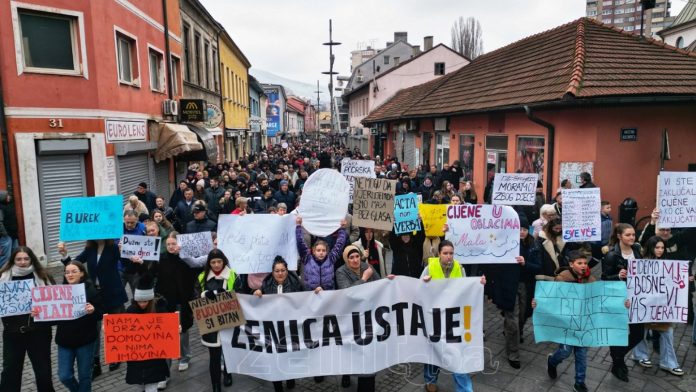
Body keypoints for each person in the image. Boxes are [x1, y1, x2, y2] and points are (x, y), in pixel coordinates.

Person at [535, 250, 618, 392]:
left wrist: (622, 303)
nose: (584, 266)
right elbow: (553, 298)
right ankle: (552, 361)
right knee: (565, 352)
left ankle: (580, 382)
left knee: (581, 354)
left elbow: (598, 300)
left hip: (583, 325)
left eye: (585, 263)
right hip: (567, 323)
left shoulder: (591, 280)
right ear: (571, 264)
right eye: (580, 263)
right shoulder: (562, 278)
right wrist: (539, 303)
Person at [421, 240, 485, 392]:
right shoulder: (429, 268)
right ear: (439, 254)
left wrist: (478, 284)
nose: (448, 256)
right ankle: (430, 380)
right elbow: (419, 290)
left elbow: (466, 289)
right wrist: (424, 283)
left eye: (451, 253)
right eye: (445, 253)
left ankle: (464, 388)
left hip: (454, 318)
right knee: (433, 351)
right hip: (435, 318)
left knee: (458, 353)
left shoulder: (459, 267)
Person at [59, 239, 127, 374]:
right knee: (94, 328)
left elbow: (126, 265)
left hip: (113, 293)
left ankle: (115, 356)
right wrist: (65, 255)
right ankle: (95, 362)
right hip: (95, 294)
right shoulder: (90, 249)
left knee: (113, 327)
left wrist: (123, 252)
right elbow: (74, 265)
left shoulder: (113, 247)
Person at [0, 247, 56, 392]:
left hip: (39, 333)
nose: (22, 262)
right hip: (12, 334)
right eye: (18, 259)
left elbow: (55, 303)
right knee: (10, 373)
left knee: (43, 372)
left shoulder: (43, 277)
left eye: (26, 259)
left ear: (32, 259)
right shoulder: (3, 278)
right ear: (13, 260)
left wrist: (43, 309)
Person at [488, 216, 540, 368]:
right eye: (519, 229)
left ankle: (516, 334)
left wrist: (526, 263)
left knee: (522, 316)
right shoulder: (504, 243)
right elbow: (494, 265)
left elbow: (538, 267)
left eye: (524, 229)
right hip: (508, 286)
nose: (521, 232)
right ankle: (513, 353)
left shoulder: (533, 245)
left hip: (526, 286)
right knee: (512, 319)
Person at [629, 236, 684, 376]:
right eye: (657, 247)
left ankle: (669, 362)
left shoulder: (668, 264)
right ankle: (640, 355)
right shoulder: (641, 263)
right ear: (651, 247)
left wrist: (683, 279)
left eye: (662, 248)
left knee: (667, 333)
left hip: (661, 306)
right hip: (644, 304)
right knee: (642, 332)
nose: (659, 250)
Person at [335, 245, 382, 390]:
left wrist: (389, 282)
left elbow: (380, 284)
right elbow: (348, 292)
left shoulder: (367, 266)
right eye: (351, 258)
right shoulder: (341, 272)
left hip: (368, 314)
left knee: (366, 348)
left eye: (357, 257)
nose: (355, 260)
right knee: (350, 347)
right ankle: (346, 373)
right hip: (350, 316)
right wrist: (364, 278)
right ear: (346, 259)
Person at [601, 223, 644, 382]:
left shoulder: (637, 251)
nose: (632, 237)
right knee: (617, 333)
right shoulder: (612, 255)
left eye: (633, 234)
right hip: (617, 299)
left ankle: (618, 357)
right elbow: (604, 278)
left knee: (638, 334)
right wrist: (618, 276)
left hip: (635, 299)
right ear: (619, 236)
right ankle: (618, 364)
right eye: (628, 235)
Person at [252, 256, 302, 392]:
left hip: (290, 328)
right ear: (272, 272)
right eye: (277, 271)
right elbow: (257, 301)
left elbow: (306, 299)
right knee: (274, 357)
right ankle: (277, 385)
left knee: (288, 355)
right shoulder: (266, 285)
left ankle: (290, 377)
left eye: (283, 270)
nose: (280, 273)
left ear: (287, 271)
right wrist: (256, 293)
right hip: (273, 329)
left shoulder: (296, 284)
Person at [56, 261, 102, 392]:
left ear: (81, 273)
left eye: (74, 271)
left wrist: (93, 310)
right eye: (67, 272)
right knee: (64, 376)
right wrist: (40, 313)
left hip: (85, 340)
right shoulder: (59, 292)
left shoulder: (91, 290)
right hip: (65, 341)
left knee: (85, 376)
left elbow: (100, 314)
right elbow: (52, 317)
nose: (70, 274)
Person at [199, 249, 241, 391]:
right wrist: (205, 294)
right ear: (209, 263)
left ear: (224, 261)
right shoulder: (202, 277)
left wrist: (228, 294)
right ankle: (215, 384)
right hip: (210, 322)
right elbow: (195, 297)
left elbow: (240, 295)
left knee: (227, 352)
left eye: (219, 261)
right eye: (213, 262)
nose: (216, 265)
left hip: (228, 320)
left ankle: (228, 374)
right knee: (214, 355)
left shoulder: (233, 276)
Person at [155, 232, 197, 372]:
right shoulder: (162, 259)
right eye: (168, 244)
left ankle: (184, 357)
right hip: (167, 301)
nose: (171, 246)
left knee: (182, 330)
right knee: (168, 332)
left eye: (174, 244)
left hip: (183, 300)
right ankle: (167, 366)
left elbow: (195, 270)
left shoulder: (185, 258)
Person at [124, 276, 170, 391]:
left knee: (152, 388)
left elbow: (168, 327)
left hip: (154, 359)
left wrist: (175, 329)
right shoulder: (130, 311)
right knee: (140, 387)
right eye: (139, 301)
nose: (142, 304)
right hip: (137, 360)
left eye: (145, 301)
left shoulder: (160, 309)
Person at [296, 216, 347, 292]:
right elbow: (300, 242)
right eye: (318, 250)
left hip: (327, 294)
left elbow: (340, 244)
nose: (321, 252)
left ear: (327, 252)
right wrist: (298, 226)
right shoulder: (307, 258)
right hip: (310, 294)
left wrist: (342, 229)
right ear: (314, 251)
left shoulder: (331, 259)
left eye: (323, 250)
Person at [0, 189, 18, 268]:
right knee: (6, 257)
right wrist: (5, 234)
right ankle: (2, 274)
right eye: (7, 195)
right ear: (3, 197)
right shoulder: (0, 207)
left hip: (13, 234)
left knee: (16, 254)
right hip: (6, 236)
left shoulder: (9, 205)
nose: (9, 197)